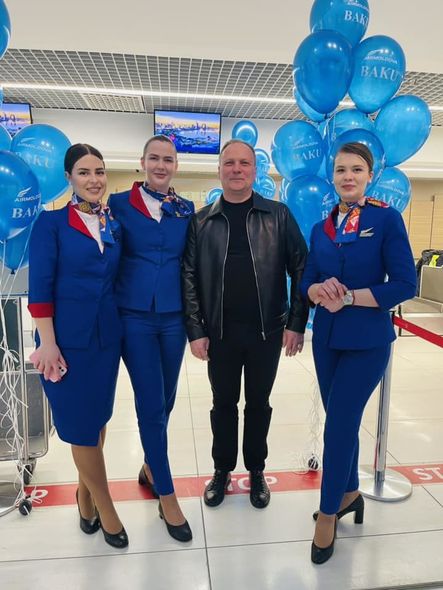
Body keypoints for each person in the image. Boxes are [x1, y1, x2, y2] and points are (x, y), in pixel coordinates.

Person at [300, 142, 417, 564]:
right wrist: (317, 289)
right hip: (327, 340)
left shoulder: (385, 220)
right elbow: (307, 282)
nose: (347, 176)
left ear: (369, 175)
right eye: (340, 170)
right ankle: (349, 494)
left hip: (367, 341)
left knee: (339, 426)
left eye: (356, 169)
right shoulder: (322, 228)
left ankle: (328, 513)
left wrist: (350, 297)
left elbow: (405, 284)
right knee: (341, 422)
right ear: (332, 176)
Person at [182, 139, 309, 509]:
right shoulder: (201, 221)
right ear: (219, 170)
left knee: (258, 404)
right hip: (219, 333)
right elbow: (188, 277)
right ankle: (222, 470)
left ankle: (256, 471)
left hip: (265, 332)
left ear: (255, 170)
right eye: (229, 163)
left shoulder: (278, 215)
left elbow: (301, 267)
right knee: (222, 403)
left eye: (244, 163)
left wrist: (296, 323)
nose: (236, 169)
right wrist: (196, 330)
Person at [28, 143, 128, 549]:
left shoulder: (111, 223)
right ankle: (106, 507)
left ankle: (84, 496)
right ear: (68, 177)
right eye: (84, 172)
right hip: (65, 343)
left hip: (105, 339)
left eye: (99, 171)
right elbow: (40, 289)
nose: (94, 179)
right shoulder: (50, 224)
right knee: (80, 427)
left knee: (98, 420)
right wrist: (48, 343)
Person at [108, 135, 194, 543]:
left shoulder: (186, 209)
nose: (161, 165)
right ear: (142, 162)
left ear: (176, 165)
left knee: (167, 399)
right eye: (154, 158)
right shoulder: (118, 204)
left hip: (174, 317)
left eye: (168, 160)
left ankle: (149, 466)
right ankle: (167, 494)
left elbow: (191, 264)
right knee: (150, 403)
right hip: (134, 316)